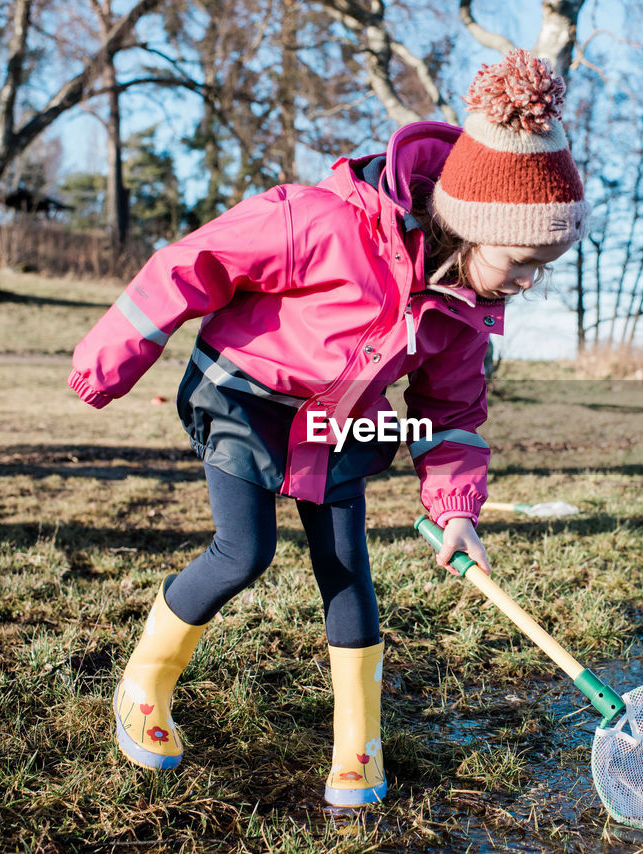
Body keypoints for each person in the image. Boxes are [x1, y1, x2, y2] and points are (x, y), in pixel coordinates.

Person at [68, 49, 588, 807]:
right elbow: (194, 261)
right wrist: (117, 353)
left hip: (342, 424)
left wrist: (457, 512)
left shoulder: (466, 316)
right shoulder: (322, 224)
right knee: (243, 552)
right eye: (522, 260)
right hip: (246, 391)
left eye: (545, 265)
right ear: (472, 226)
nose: (528, 281)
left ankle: (358, 741)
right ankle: (145, 683)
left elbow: (451, 415)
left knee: (346, 570)